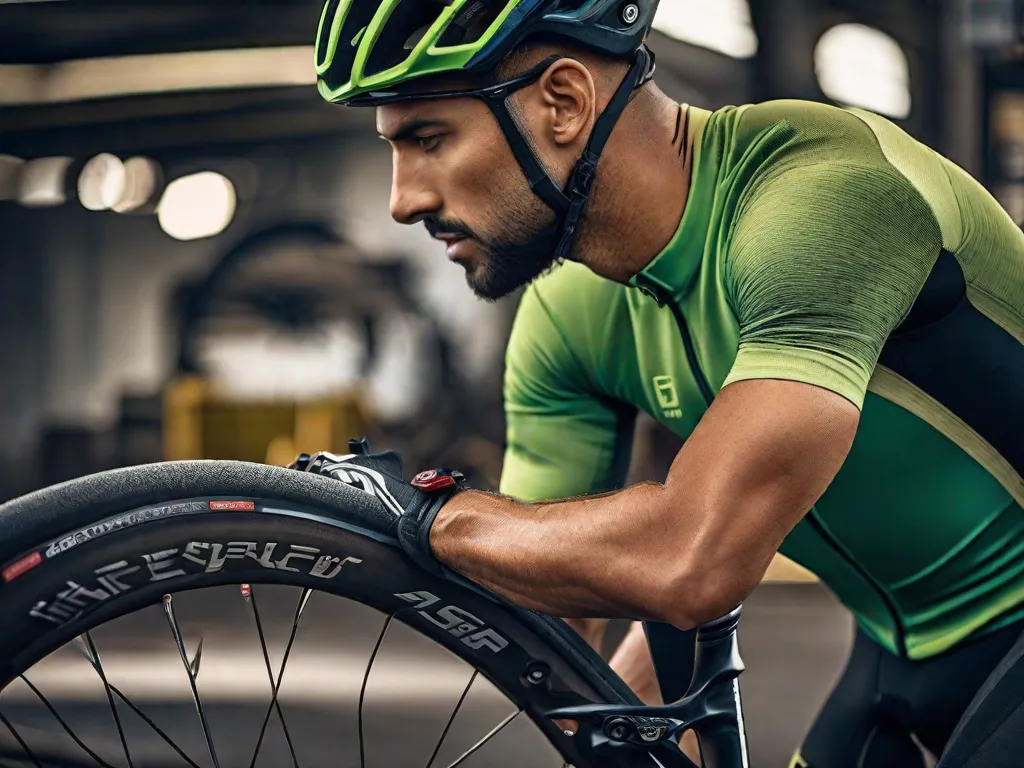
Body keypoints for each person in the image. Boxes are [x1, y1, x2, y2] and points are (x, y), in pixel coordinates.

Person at [311, 1, 1024, 765]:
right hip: (894, 653)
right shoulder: (569, 314)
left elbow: (693, 562)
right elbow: (556, 617)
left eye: (429, 139)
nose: (404, 201)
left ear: (563, 102)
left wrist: (426, 517)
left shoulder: (823, 202)